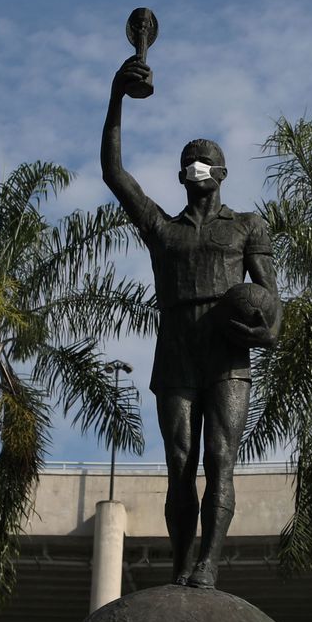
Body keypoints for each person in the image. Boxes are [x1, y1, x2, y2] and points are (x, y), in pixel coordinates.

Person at [101, 56, 280, 588]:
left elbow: (272, 298)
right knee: (180, 464)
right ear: (181, 174)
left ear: (222, 174)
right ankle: (181, 563)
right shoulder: (162, 228)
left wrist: (268, 333)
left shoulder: (248, 226)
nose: (196, 168)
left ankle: (209, 564)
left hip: (227, 352)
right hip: (176, 347)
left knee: (220, 459)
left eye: (205, 163)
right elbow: (114, 173)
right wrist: (116, 100)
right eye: (189, 163)